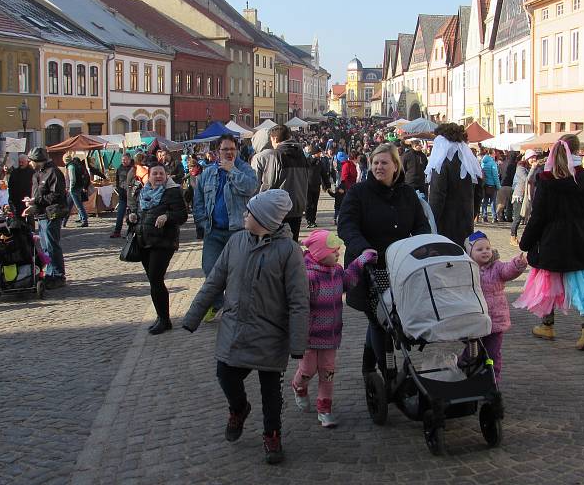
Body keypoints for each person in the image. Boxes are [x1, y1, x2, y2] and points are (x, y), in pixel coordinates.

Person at [182, 189, 309, 465]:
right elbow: (214, 281)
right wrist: (193, 316)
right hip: (235, 329)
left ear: (264, 219)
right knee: (225, 375)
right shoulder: (236, 241)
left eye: (250, 212)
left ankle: (272, 434)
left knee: (271, 393)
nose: (244, 214)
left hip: (271, 334)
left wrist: (299, 343)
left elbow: (299, 300)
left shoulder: (289, 251)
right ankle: (239, 409)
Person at [338, 143, 430, 376]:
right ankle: (387, 371)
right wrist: (363, 249)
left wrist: (418, 247)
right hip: (369, 265)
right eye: (375, 162)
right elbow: (346, 225)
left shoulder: (407, 194)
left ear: (396, 166)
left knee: (385, 318)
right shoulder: (358, 192)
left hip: (400, 266)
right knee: (380, 320)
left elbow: (421, 225)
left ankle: (368, 366)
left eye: (384, 162)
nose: (379, 167)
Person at [514, 134, 584, 351]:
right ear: (577, 151)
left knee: (547, 283)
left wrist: (526, 242)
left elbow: (538, 216)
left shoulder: (546, 180)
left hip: (551, 241)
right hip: (577, 239)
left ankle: (547, 325)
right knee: (582, 284)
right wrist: (582, 229)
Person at [291, 229, 376, 427]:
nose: (338, 254)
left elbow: (348, 281)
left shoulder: (337, 272)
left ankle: (324, 409)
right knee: (307, 370)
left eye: (338, 251)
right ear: (320, 253)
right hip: (310, 338)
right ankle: (298, 386)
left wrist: (361, 262)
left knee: (327, 373)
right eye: (334, 251)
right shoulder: (308, 277)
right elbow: (297, 305)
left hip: (330, 337)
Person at [193, 134, 259, 321]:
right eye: (225, 149)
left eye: (232, 149)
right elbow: (198, 201)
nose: (229, 152)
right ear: (217, 152)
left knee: (237, 273)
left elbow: (251, 188)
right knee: (210, 269)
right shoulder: (207, 173)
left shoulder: (245, 169)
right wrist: (203, 223)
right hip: (213, 231)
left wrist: (232, 171)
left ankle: (236, 310)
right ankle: (217, 303)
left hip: (238, 231)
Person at [129, 163, 188, 334]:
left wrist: (167, 216)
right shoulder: (143, 191)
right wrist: (131, 217)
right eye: (155, 173)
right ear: (149, 175)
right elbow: (136, 211)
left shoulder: (173, 192)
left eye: (161, 173)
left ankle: (164, 319)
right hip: (144, 240)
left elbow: (182, 215)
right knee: (154, 281)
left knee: (156, 278)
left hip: (163, 242)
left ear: (166, 175)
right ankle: (161, 315)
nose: (158, 176)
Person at [463, 231, 527, 383]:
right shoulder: (467, 269)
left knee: (493, 352)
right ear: (470, 253)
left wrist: (517, 264)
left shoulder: (496, 267)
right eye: (479, 249)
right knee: (473, 350)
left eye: (487, 248)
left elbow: (507, 271)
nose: (485, 252)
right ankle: (463, 364)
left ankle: (493, 377)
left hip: (495, 320)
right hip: (475, 319)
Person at [426, 123, 484, 246]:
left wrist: (431, 224)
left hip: (445, 225)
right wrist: (471, 213)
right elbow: (479, 192)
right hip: (466, 222)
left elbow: (437, 196)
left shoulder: (442, 162)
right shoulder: (469, 161)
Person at [252, 125, 309, 241]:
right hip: (298, 207)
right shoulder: (301, 154)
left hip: (279, 209)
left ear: (274, 139)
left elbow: (269, 184)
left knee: (276, 247)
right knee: (292, 245)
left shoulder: (277, 155)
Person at [23, 147, 68, 287]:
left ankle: (58, 275)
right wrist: (32, 205)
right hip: (42, 214)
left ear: (38, 161)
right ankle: (50, 273)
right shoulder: (38, 174)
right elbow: (38, 195)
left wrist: (36, 201)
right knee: (45, 246)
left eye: (31, 160)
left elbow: (56, 195)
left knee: (52, 245)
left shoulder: (53, 172)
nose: (29, 163)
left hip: (52, 214)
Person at [510, 150, 538, 246]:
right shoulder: (520, 168)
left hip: (528, 196)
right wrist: (533, 168)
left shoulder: (529, 168)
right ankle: (513, 237)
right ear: (527, 158)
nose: (534, 159)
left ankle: (527, 238)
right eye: (532, 157)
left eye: (535, 157)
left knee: (527, 218)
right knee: (518, 218)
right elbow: (527, 179)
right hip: (519, 196)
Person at [305, 145, 331, 229]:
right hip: (308, 186)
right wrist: (315, 159)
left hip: (316, 185)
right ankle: (309, 220)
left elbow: (324, 174)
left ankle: (313, 220)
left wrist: (328, 185)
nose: (320, 154)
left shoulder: (320, 162)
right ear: (315, 153)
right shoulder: (307, 161)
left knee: (315, 204)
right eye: (319, 152)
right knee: (309, 204)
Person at [62, 153, 89, 228]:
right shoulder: (75, 165)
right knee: (69, 206)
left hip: (74, 189)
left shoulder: (71, 166)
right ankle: (63, 222)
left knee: (78, 206)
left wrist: (70, 188)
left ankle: (84, 221)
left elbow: (72, 179)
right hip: (77, 187)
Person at [110, 153, 132, 238]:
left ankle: (130, 232)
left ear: (129, 159)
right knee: (120, 213)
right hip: (122, 193)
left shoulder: (134, 168)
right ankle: (117, 231)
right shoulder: (120, 168)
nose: (123, 161)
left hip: (131, 194)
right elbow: (117, 180)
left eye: (125, 160)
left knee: (131, 214)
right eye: (122, 160)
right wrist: (118, 189)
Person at [7, 154, 35, 218]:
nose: (21, 164)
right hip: (17, 201)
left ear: (27, 161)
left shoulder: (32, 173)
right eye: (20, 162)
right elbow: (11, 187)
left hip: (28, 200)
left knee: (29, 221)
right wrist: (11, 201)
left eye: (23, 162)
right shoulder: (14, 173)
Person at [334, 150, 358, 223]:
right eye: (358, 157)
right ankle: (337, 218)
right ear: (355, 158)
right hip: (346, 189)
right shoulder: (347, 165)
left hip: (352, 188)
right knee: (341, 205)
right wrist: (344, 188)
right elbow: (344, 178)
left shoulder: (354, 165)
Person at [480, 149, 501, 222]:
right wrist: (498, 186)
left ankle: (484, 216)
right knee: (493, 202)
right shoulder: (493, 163)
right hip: (492, 185)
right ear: (492, 154)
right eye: (494, 153)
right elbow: (495, 176)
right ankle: (494, 217)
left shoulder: (483, 162)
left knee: (485, 201)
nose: (495, 155)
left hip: (485, 184)